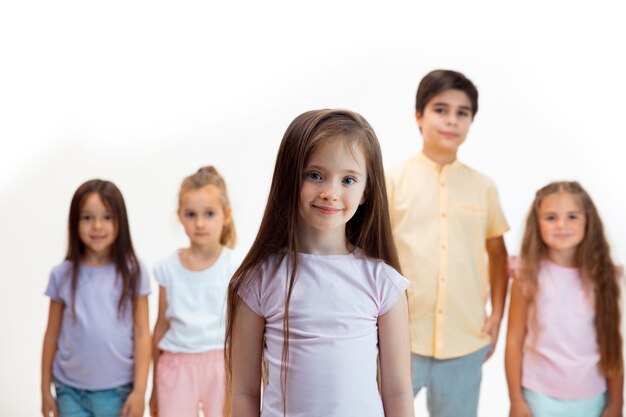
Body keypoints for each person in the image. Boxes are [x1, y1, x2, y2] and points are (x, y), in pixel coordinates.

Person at [224, 109, 414, 417]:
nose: (330, 193)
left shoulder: (383, 283)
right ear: (290, 178)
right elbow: (244, 393)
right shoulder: (259, 281)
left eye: (348, 179)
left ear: (366, 190)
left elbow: (398, 392)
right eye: (315, 175)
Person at [386, 69, 510, 417]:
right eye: (441, 109)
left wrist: (497, 315)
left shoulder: (483, 187)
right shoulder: (391, 180)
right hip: (400, 339)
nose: (452, 120)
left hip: (464, 341)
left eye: (462, 113)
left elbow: (498, 256)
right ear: (418, 115)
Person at [505, 181, 623, 417]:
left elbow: (613, 344)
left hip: (592, 399)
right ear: (536, 224)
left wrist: (616, 404)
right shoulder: (527, 276)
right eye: (550, 217)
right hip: (538, 398)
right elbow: (514, 341)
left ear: (588, 220)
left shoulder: (605, 278)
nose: (562, 225)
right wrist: (516, 401)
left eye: (572, 216)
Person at [41, 179, 151, 417]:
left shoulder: (134, 272)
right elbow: (51, 333)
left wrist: (140, 391)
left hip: (118, 391)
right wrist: (44, 390)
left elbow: (143, 333)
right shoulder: (62, 275)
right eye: (87, 217)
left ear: (120, 222)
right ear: (74, 222)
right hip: (69, 390)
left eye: (107, 217)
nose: (97, 226)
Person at [149, 166, 239, 417]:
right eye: (191, 214)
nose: (200, 223)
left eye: (209, 213)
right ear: (180, 216)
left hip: (221, 365)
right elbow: (160, 326)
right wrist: (153, 387)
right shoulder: (167, 269)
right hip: (177, 365)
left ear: (226, 214)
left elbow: (241, 328)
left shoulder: (234, 267)